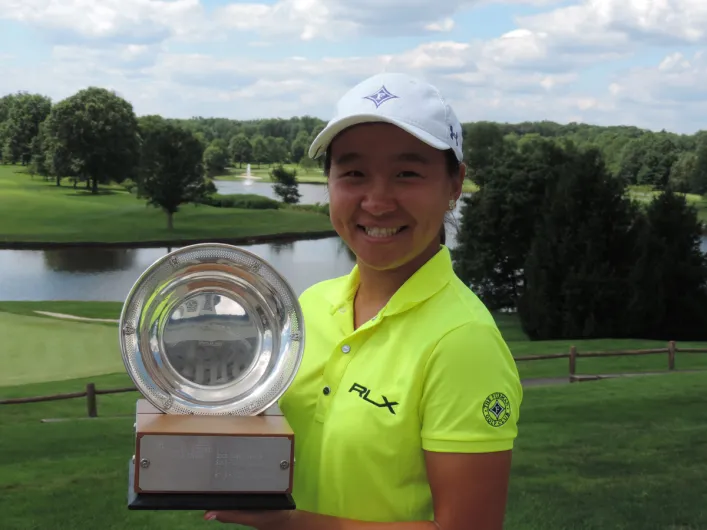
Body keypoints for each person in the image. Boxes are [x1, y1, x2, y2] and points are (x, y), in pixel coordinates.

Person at [204, 72, 523, 529]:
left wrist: (289, 522)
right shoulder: (310, 307)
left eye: (407, 173)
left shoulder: (463, 342)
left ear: (455, 184)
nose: (376, 201)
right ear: (330, 181)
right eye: (353, 173)